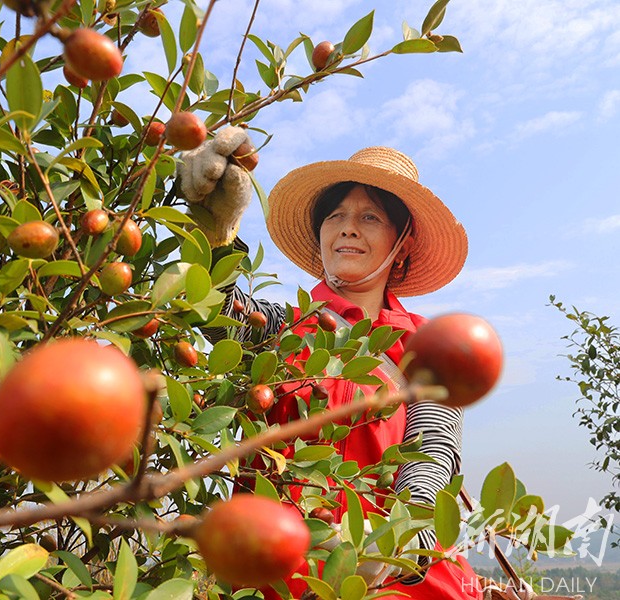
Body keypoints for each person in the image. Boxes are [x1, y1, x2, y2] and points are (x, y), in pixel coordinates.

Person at [177, 130, 527, 600]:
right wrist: (214, 238)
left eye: (370, 217)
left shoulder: (428, 347)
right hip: (271, 566)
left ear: (402, 242)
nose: (347, 228)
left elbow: (431, 453)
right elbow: (221, 316)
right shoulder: (285, 326)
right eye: (335, 215)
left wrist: (401, 538)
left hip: (391, 574)